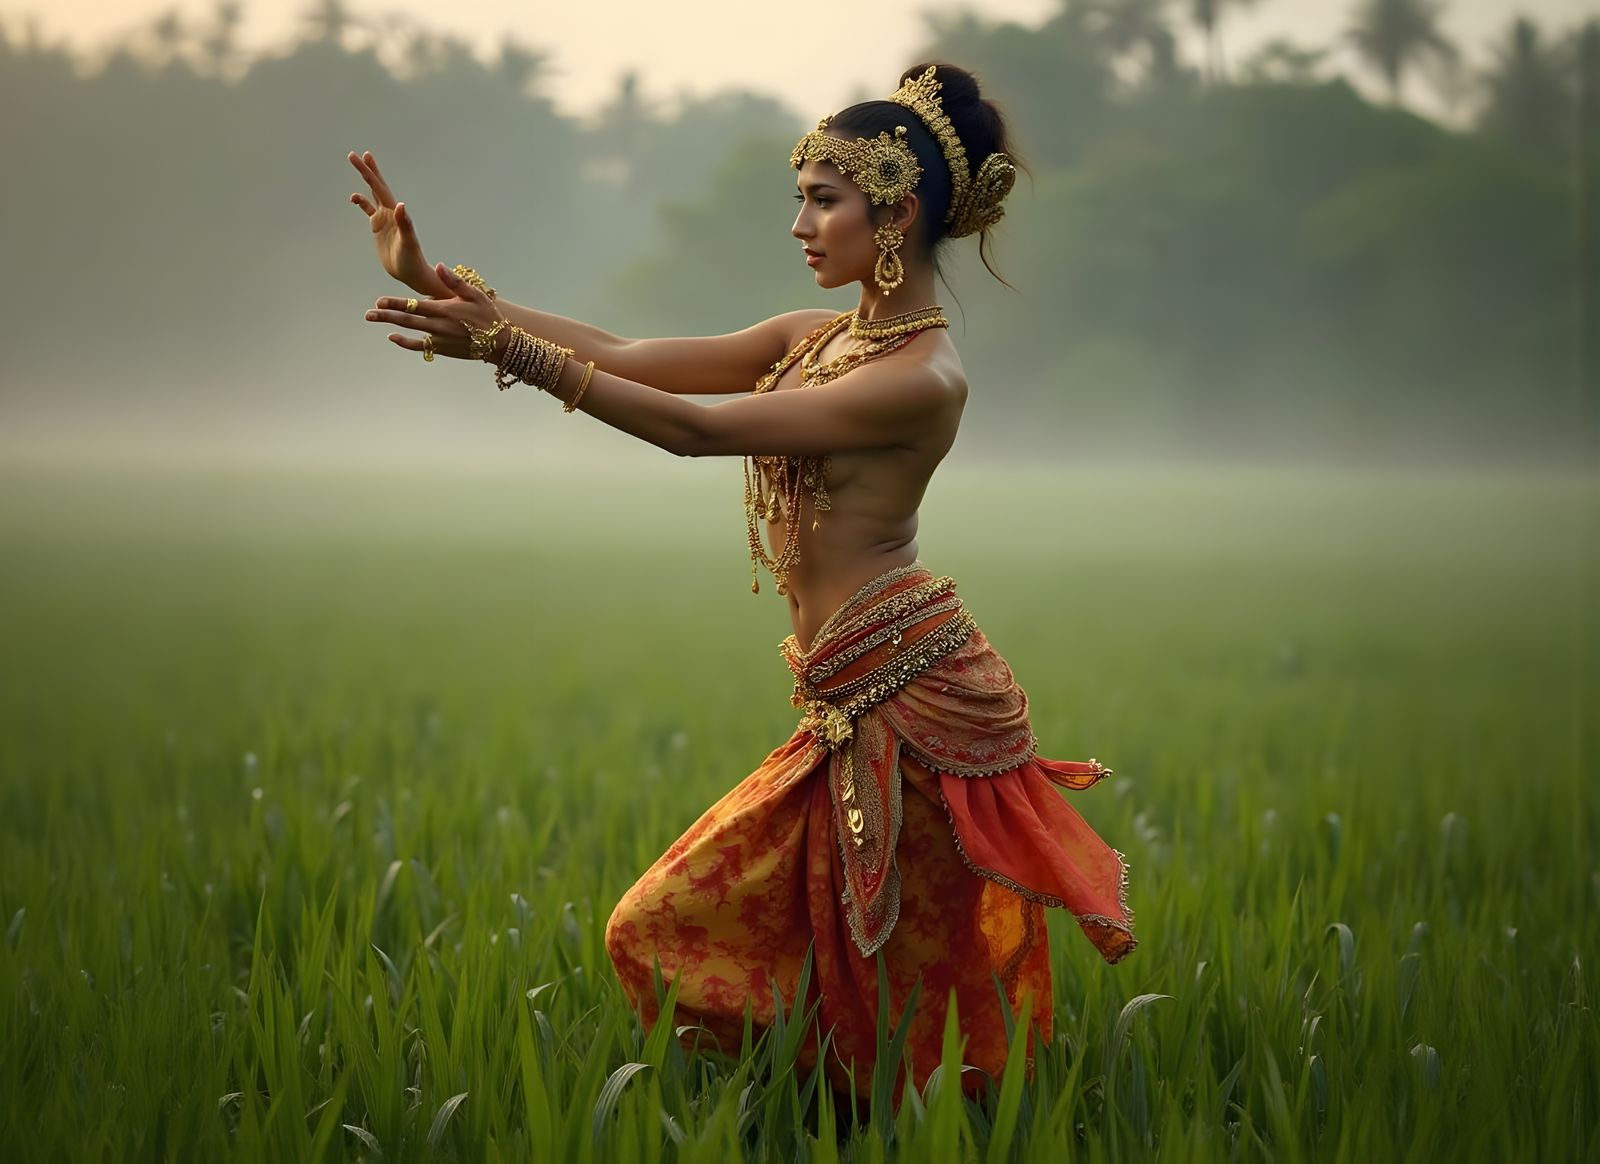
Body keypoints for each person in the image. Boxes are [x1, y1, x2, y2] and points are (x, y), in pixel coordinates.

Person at [348, 61, 1136, 1099]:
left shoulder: (916, 380)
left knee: (868, 998)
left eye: (824, 200)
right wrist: (447, 292)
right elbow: (631, 354)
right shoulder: (818, 341)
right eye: (799, 198)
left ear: (894, 213)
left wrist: (507, 352)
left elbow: (693, 430)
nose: (801, 224)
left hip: (911, 709)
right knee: (835, 989)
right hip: (848, 699)